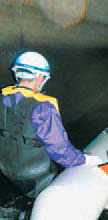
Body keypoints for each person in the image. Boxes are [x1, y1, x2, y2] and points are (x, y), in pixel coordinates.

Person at [0, 51, 86, 198]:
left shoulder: (3, 97)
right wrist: (82, 160)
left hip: (6, 169)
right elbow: (59, 148)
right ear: (39, 77)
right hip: (36, 176)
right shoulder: (43, 107)